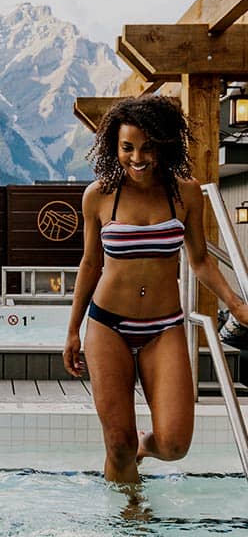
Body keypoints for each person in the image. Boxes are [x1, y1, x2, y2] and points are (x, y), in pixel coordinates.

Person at [63, 95, 248, 484]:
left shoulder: (185, 193)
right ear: (114, 147)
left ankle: (141, 449)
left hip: (163, 329)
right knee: (117, 444)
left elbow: (200, 261)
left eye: (148, 147)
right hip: (107, 326)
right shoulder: (98, 196)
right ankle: (129, 521)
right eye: (127, 147)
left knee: (174, 444)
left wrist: (235, 302)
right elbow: (90, 264)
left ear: (164, 145)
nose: (137, 158)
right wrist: (72, 330)